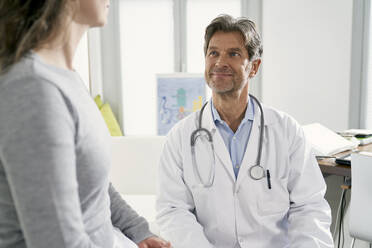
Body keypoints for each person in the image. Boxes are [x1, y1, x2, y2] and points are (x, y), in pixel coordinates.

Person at [0, 1, 171, 248]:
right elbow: (57, 243)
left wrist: (139, 231)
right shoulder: (33, 89)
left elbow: (93, 185)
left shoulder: (65, 77)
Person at [156, 14, 333, 248]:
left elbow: (309, 207)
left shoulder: (287, 131)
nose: (220, 62)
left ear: (254, 67)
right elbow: (173, 211)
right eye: (213, 53)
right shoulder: (180, 137)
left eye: (234, 54)